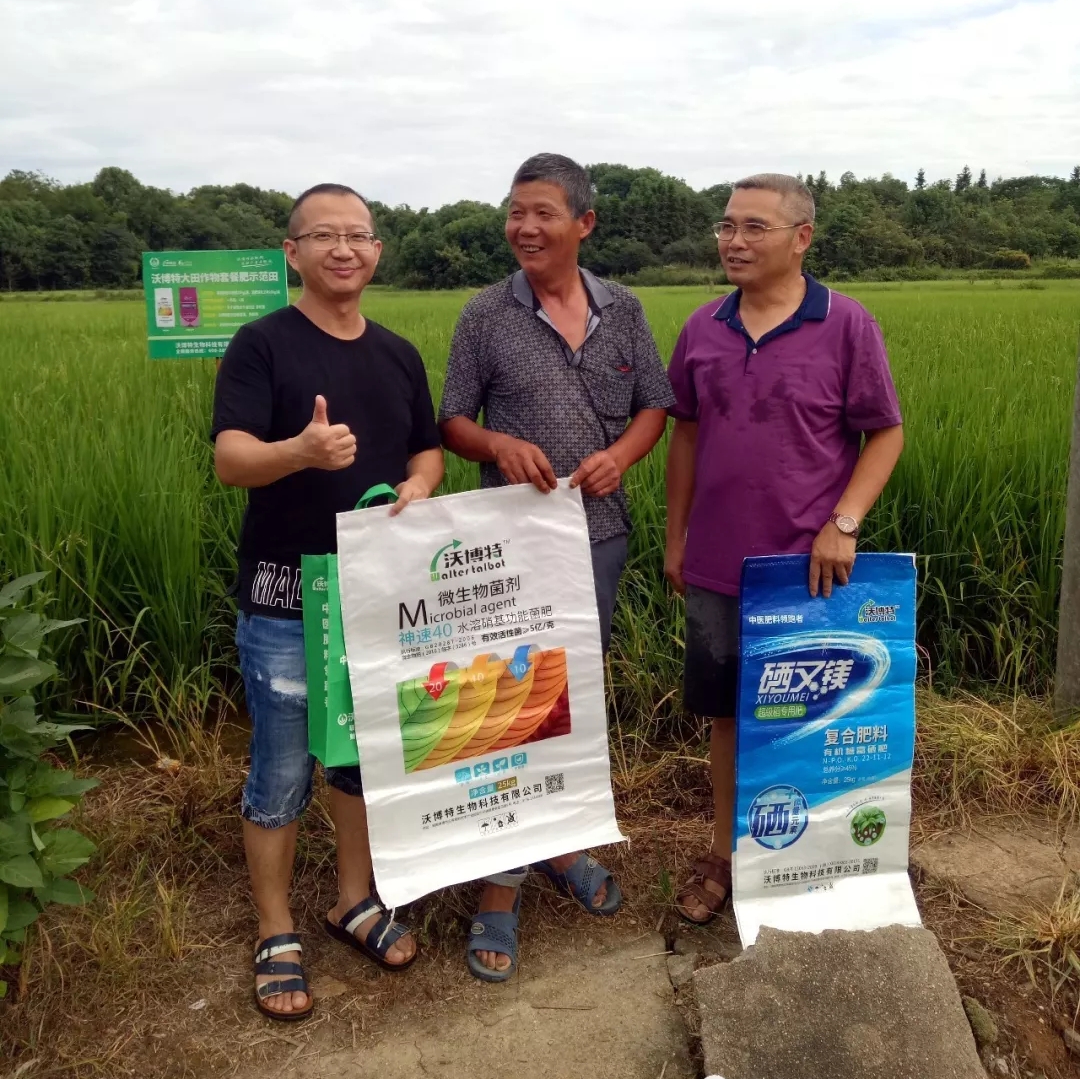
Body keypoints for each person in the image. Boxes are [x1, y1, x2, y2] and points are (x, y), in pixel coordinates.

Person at [440, 151, 675, 982]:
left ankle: (561, 843)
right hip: (512, 541)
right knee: (514, 702)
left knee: (573, 699)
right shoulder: (484, 315)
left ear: (584, 223)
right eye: (514, 212)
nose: (524, 228)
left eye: (542, 213)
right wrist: (497, 443)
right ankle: (498, 892)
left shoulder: (626, 311)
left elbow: (657, 404)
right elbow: (452, 421)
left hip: (600, 532)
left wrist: (622, 455)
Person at [212, 183, 444, 1020]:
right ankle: (274, 927)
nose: (345, 249)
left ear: (378, 250)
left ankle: (353, 897)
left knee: (358, 755)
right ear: (293, 251)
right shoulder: (262, 344)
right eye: (325, 236)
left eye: (360, 235)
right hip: (283, 591)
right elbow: (232, 459)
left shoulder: (398, 352)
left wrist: (419, 483)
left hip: (374, 589)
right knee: (280, 769)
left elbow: (426, 448)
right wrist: (300, 451)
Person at [664, 173, 904, 924]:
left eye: (753, 227)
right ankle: (727, 855)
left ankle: (809, 860)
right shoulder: (704, 327)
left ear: (801, 237)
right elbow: (688, 433)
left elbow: (884, 431)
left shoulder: (846, 323)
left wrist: (846, 520)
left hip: (808, 571)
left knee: (814, 714)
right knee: (729, 718)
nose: (734, 240)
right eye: (726, 226)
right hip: (719, 565)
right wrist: (677, 537)